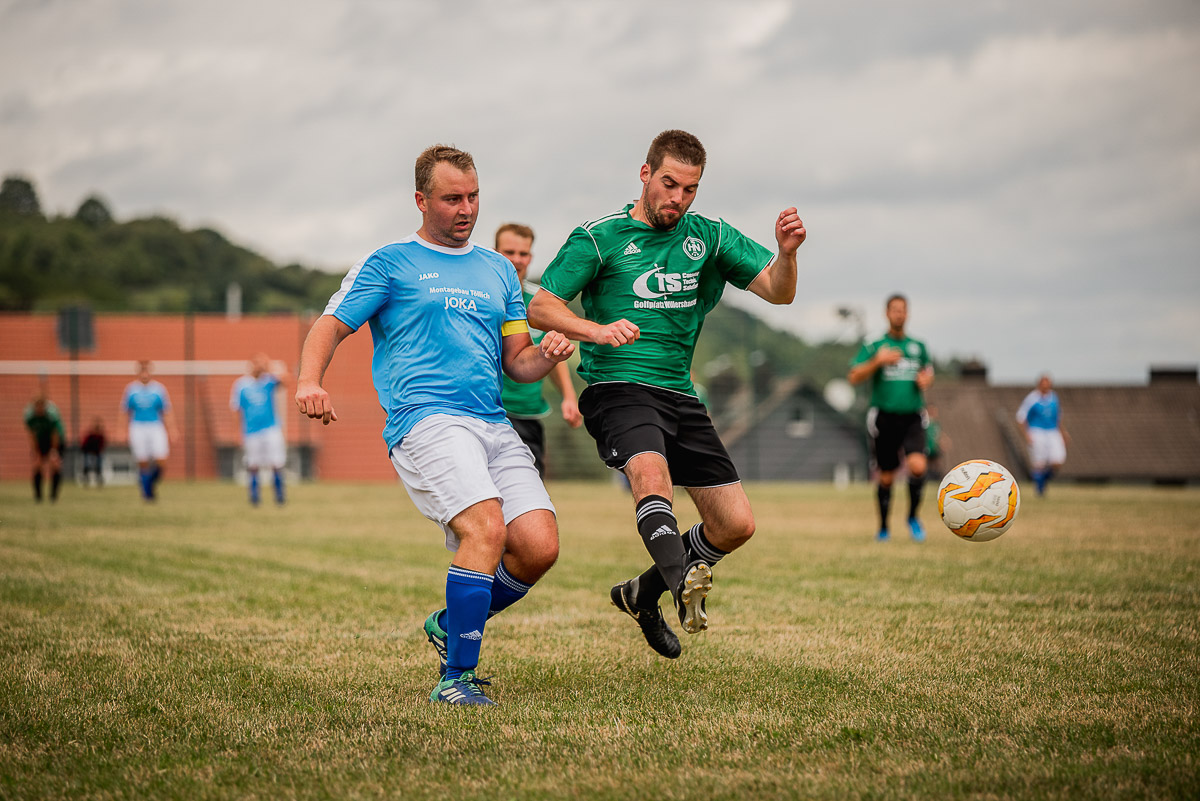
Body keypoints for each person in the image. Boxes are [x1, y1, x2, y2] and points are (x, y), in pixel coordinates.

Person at [294, 144, 575, 707]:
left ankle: (450, 621)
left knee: (539, 547)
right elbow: (331, 324)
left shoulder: (498, 270)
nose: (466, 208)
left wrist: (547, 354)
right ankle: (456, 679)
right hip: (426, 421)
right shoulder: (389, 262)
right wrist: (309, 380)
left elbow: (515, 362)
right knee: (486, 530)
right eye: (452, 198)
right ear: (421, 201)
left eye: (473, 196)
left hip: (494, 423)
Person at [528, 129, 806, 660]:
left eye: (690, 189)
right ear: (645, 174)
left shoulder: (711, 237)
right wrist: (596, 330)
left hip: (680, 394)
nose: (677, 199)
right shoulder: (598, 237)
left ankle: (642, 593)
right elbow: (543, 307)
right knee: (650, 476)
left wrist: (787, 254)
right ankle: (682, 585)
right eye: (669, 184)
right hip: (618, 389)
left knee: (735, 524)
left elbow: (778, 291)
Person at [495, 223, 583, 477]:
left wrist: (568, 397)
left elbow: (553, 355)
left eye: (523, 254)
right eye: (508, 252)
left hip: (528, 412)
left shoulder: (539, 304)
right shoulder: (482, 299)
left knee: (530, 495)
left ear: (531, 257)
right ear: (494, 252)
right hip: (490, 410)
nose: (516, 259)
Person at [847, 294, 934, 542]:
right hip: (884, 417)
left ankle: (913, 518)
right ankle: (884, 527)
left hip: (913, 416)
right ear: (887, 313)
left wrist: (926, 380)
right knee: (886, 477)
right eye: (895, 310)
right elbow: (853, 376)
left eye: (903, 310)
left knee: (918, 466)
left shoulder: (919, 346)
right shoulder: (875, 345)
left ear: (908, 314)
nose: (899, 314)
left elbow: (928, 374)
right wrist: (878, 361)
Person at [231, 353, 289, 506]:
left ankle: (279, 496)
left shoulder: (268, 381)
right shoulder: (241, 385)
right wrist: (237, 432)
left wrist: (269, 368)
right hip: (251, 431)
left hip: (271, 428)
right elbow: (237, 409)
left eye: (261, 363)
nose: (259, 366)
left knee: (276, 463)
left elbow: (286, 381)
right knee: (253, 465)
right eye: (256, 363)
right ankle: (255, 497)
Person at [120, 360, 176, 502]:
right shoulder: (131, 389)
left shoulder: (159, 389)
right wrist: (121, 430)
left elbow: (167, 411)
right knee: (143, 462)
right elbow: (124, 412)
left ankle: (148, 483)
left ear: (150, 372)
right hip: (137, 427)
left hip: (155, 426)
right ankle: (147, 494)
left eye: (147, 371)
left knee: (161, 460)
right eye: (142, 371)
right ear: (138, 372)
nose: (144, 374)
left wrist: (172, 429)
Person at [1016, 373, 1068, 497]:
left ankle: (1043, 480)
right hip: (1037, 431)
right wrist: (1027, 435)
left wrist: (1063, 433)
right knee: (1039, 463)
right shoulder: (1032, 399)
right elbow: (1020, 418)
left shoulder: (1054, 398)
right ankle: (1040, 491)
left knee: (1058, 460)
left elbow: (1058, 418)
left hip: (1052, 431)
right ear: (1039, 385)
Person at [24, 395, 64, 502]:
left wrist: (53, 450)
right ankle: (38, 495)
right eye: (37, 407)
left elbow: (55, 435)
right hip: (40, 441)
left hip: (55, 441)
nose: (40, 410)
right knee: (37, 465)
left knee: (55, 465)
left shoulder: (51, 416)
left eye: (42, 407)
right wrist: (35, 451)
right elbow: (31, 435)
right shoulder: (30, 417)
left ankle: (53, 495)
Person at [81, 417, 107, 487]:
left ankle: (99, 478)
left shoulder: (101, 436)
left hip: (97, 453)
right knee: (87, 464)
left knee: (99, 464)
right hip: (89, 452)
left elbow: (102, 446)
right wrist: (88, 451)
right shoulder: (90, 436)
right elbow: (84, 445)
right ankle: (85, 478)